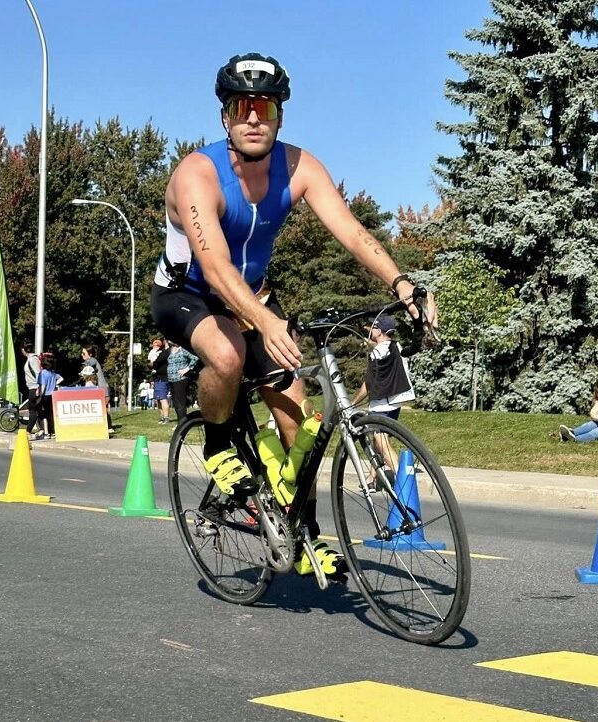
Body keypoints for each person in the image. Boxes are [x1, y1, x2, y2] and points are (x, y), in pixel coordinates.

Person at [149, 52, 437, 578]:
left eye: (264, 106)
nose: (254, 117)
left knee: (297, 423)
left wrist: (401, 281)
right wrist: (263, 321)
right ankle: (217, 443)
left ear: (280, 114)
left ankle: (303, 536)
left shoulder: (299, 166)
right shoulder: (197, 174)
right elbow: (213, 268)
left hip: (254, 295)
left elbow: (350, 231)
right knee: (228, 352)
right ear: (225, 117)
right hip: (187, 294)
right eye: (242, 106)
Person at [351, 315, 416, 490]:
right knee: (377, 439)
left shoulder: (376, 354)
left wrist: (353, 402)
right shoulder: (396, 346)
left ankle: (403, 482)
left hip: (381, 403)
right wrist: (373, 344)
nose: (370, 331)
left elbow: (368, 384)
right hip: (395, 402)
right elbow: (385, 349)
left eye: (372, 328)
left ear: (379, 330)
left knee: (380, 442)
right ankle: (372, 478)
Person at [81, 343, 113, 430]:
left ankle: (108, 427)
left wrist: (85, 367)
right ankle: (108, 427)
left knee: (103, 409)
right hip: (100, 389)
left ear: (90, 354)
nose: (82, 355)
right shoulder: (92, 361)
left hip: (102, 389)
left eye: (84, 353)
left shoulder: (93, 360)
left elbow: (89, 363)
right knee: (102, 409)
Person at [167, 341, 199, 420]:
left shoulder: (183, 350)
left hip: (180, 379)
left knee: (180, 402)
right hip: (171, 379)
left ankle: (182, 421)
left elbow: (195, 358)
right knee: (175, 402)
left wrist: (187, 369)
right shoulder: (169, 350)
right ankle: (180, 421)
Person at [35, 352, 62, 440]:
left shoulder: (42, 373)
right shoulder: (53, 373)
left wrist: (39, 396)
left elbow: (43, 386)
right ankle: (53, 431)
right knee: (51, 414)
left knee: (44, 415)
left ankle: (46, 433)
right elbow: (62, 378)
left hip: (45, 396)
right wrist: (55, 384)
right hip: (53, 396)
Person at [20, 340, 42, 436]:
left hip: (34, 388)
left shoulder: (32, 359)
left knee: (32, 410)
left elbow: (38, 374)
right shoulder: (33, 359)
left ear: (23, 350)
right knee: (37, 410)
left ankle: (28, 431)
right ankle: (43, 429)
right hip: (33, 387)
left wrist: (39, 387)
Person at [150, 339, 171, 424]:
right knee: (158, 399)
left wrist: (152, 364)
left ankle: (166, 417)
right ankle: (162, 417)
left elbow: (155, 363)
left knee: (162, 398)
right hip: (158, 378)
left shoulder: (166, 352)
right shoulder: (161, 352)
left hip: (162, 379)